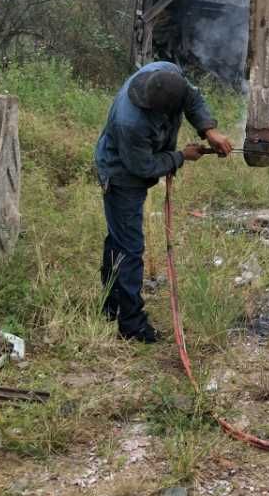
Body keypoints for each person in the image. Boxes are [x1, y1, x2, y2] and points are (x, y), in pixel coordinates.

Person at [95, 62, 232, 342]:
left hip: (135, 164)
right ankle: (131, 326)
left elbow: (192, 97)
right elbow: (143, 167)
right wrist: (181, 156)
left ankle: (111, 305)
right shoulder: (130, 122)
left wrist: (208, 130)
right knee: (130, 248)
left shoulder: (168, 73)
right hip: (122, 175)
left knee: (119, 240)